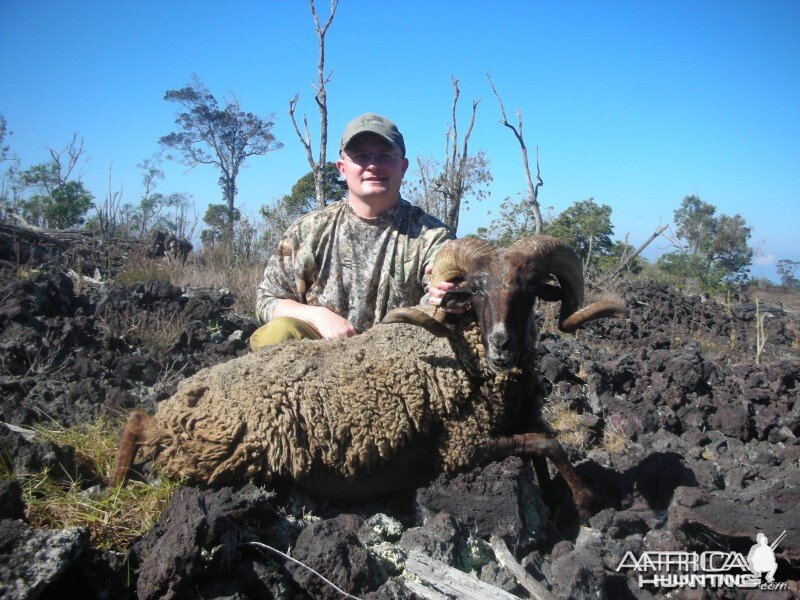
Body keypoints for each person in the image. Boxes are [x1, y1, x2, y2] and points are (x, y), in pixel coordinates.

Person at [252, 113, 457, 350]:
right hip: (318, 358)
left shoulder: (432, 235)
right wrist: (318, 316)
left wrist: (445, 294)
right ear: (341, 168)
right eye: (361, 156)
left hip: (398, 358)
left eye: (385, 155)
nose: (373, 165)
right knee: (275, 333)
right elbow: (267, 301)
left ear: (403, 166)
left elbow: (441, 292)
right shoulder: (307, 230)